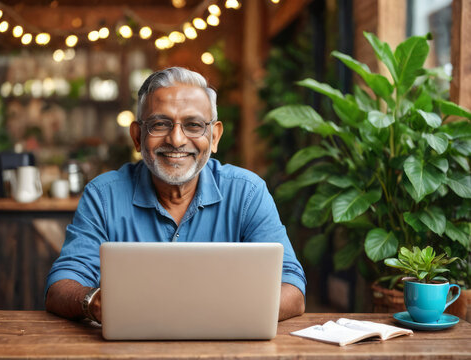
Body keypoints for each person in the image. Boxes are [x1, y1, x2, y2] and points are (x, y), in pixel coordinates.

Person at [45, 67, 306, 323]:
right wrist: (94, 302)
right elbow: (61, 286)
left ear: (214, 136)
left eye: (193, 125)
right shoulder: (103, 196)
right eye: (160, 124)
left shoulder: (247, 192)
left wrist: (215, 316)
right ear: (137, 136)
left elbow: (292, 288)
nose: (177, 139)